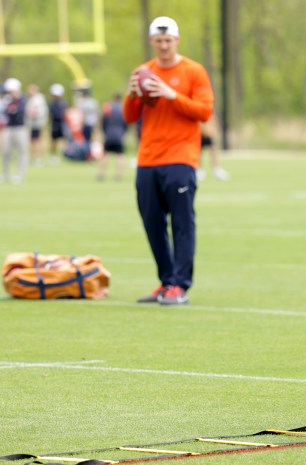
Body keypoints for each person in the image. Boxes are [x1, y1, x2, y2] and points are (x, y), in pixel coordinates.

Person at [123, 16, 214, 306]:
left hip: (181, 157)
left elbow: (204, 111)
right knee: (151, 222)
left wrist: (171, 94)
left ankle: (181, 285)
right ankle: (165, 282)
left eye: (168, 40)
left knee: (182, 223)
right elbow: (129, 116)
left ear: (176, 40)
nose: (163, 45)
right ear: (152, 41)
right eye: (158, 41)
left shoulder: (193, 71)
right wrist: (132, 93)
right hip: (148, 158)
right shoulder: (143, 71)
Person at [2, 78, 29, 184]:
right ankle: (5, 174)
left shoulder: (22, 99)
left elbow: (20, 111)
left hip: (20, 128)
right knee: (6, 151)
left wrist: (14, 109)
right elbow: (6, 111)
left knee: (22, 151)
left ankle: (20, 175)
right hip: (8, 127)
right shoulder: (6, 99)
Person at [98, 93, 128, 181]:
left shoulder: (108, 108)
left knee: (105, 154)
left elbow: (103, 122)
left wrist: (105, 132)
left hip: (109, 134)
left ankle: (101, 174)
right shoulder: (123, 109)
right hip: (119, 135)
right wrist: (123, 132)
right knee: (120, 155)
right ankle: (119, 175)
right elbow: (126, 122)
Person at [197, 117, 229, 181]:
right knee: (199, 149)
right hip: (199, 129)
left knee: (213, 148)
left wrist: (211, 127)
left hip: (207, 127)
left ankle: (216, 169)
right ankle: (199, 170)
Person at [25, 84, 49, 166]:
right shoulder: (31, 99)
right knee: (32, 141)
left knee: (37, 140)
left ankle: (39, 158)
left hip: (37, 123)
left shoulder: (38, 100)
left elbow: (38, 112)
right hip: (31, 123)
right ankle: (32, 158)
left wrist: (32, 113)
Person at [48, 83, 67, 163]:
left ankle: (65, 154)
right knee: (54, 140)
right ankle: (53, 156)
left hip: (62, 123)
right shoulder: (51, 103)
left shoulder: (63, 103)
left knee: (64, 139)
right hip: (54, 123)